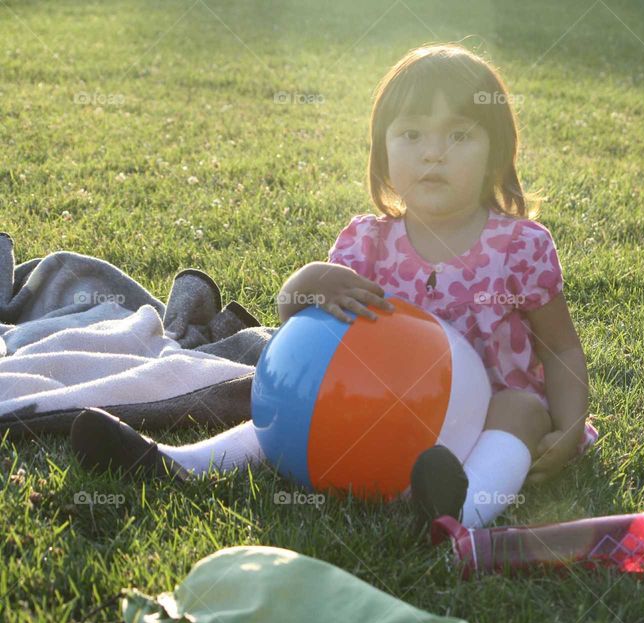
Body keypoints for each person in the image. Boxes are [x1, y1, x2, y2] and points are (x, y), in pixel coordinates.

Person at [71, 43, 597, 531]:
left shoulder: (519, 246)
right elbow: (293, 320)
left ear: (496, 152)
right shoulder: (367, 243)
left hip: (485, 422)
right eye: (412, 135)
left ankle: (459, 509)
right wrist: (309, 281)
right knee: (298, 399)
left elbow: (561, 347)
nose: (433, 153)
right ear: (383, 151)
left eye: (459, 135)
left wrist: (569, 427)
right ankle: (175, 463)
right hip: (380, 413)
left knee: (522, 407)